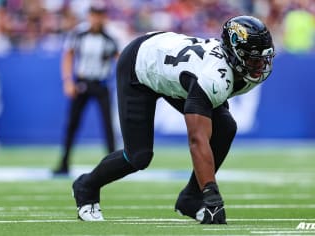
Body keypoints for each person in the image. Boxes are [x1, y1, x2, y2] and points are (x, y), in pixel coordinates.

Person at [72, 16, 275, 224]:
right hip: (140, 66)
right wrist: (212, 195)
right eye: (253, 59)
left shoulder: (232, 73)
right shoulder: (214, 76)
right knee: (138, 156)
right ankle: (86, 186)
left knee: (225, 127)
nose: (260, 65)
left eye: (263, 58)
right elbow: (197, 139)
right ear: (234, 54)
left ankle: (190, 198)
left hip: (173, 72)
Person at [53, 4, 118, 175]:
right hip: (82, 82)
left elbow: (119, 59)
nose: (96, 19)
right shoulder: (78, 34)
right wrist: (67, 81)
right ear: (89, 16)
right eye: (93, 15)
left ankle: (112, 166)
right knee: (72, 124)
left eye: (99, 15)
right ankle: (64, 162)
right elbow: (68, 56)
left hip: (102, 83)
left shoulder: (111, 36)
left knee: (108, 125)